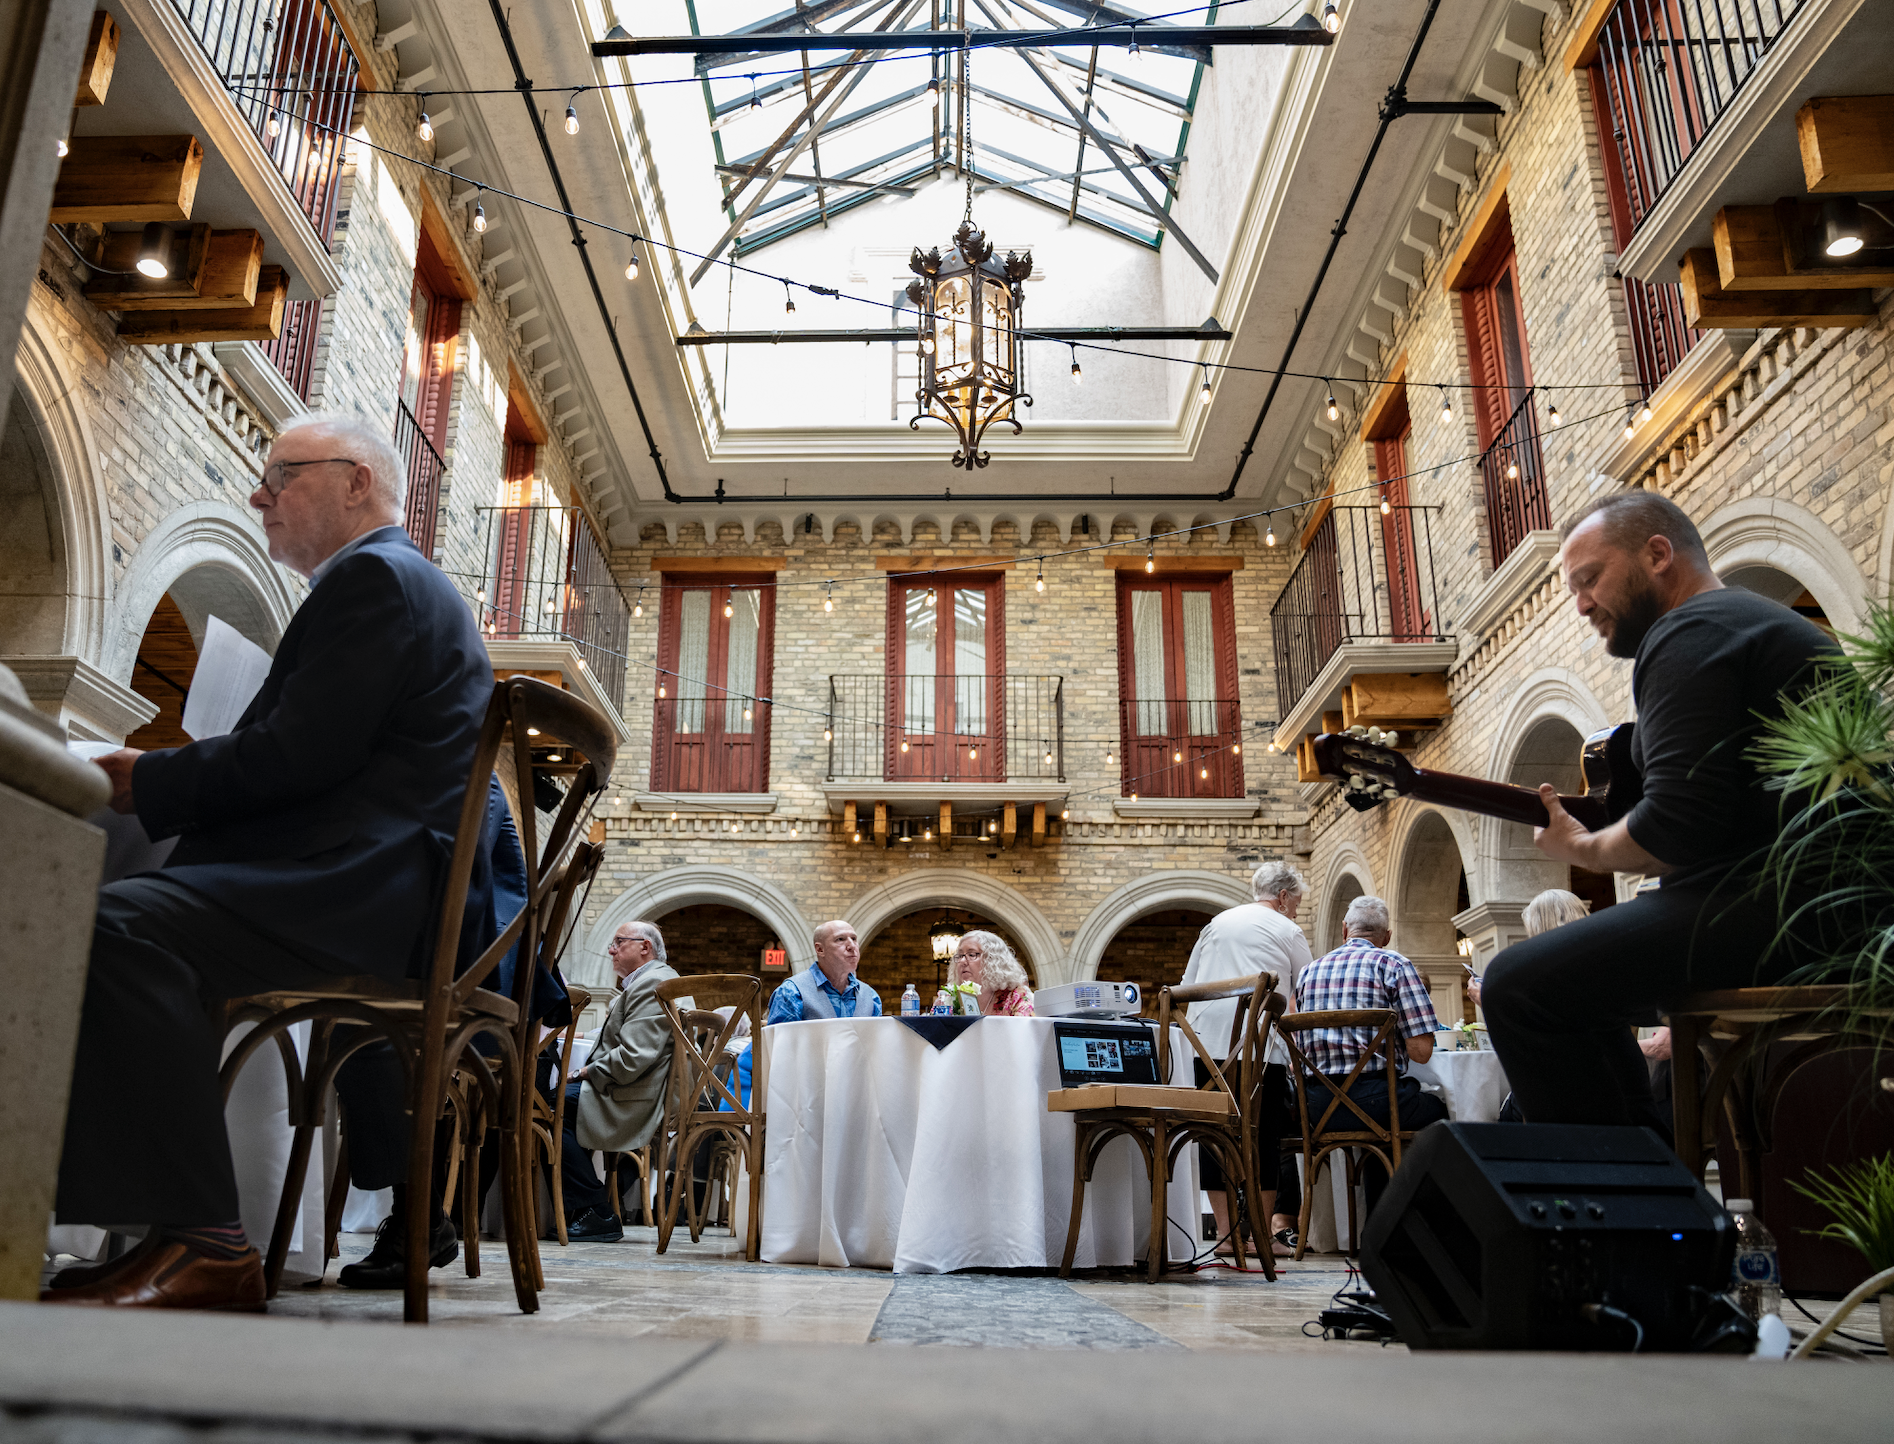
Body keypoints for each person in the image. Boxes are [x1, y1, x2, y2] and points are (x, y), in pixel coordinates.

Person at [46, 413, 496, 1311]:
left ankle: (205, 1240)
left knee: (121, 926)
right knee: (140, 910)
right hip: (381, 879)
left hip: (367, 888)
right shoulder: (399, 581)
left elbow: (299, 756)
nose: (259, 494)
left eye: (282, 474)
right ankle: (150, 1231)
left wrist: (149, 780)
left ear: (357, 481)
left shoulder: (374, 576)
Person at [1482, 492, 1837, 1134]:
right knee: (1575, 992)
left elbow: (1675, 827)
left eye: (1590, 579)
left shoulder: (1690, 630)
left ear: (1657, 554)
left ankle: (1618, 1222)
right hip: (1808, 901)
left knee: (1515, 987)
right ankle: (1649, 1192)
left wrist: (1582, 849)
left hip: (1781, 906)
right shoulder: (1743, 622)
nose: (1582, 603)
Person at [1178, 860, 1311, 1256]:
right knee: (1263, 1137)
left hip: (1205, 1048)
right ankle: (1261, 1237)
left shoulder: (1216, 923)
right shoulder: (1288, 928)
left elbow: (1187, 987)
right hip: (1259, 1050)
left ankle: (1224, 1235)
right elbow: (1305, 991)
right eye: (1297, 902)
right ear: (1283, 897)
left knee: (1213, 1135)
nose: (1297, 910)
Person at [1294, 895, 1448, 1219]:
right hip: (1377, 1104)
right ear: (1387, 937)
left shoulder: (1308, 972)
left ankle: (1373, 1223)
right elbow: (1422, 1053)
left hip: (1316, 1109)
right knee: (1444, 1109)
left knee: (1384, 1119)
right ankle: (1416, 1223)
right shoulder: (1394, 964)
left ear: (1344, 929)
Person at [559, 921, 680, 1242]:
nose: (610, 950)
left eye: (619, 942)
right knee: (559, 1100)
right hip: (642, 1089)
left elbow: (634, 1057)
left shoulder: (654, 983)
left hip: (639, 1095)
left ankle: (595, 1211)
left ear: (645, 947)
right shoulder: (657, 981)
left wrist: (583, 1072)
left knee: (551, 1109)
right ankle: (579, 1210)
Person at [1467, 888, 1587, 1126]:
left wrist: (1489, 1002)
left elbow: (1528, 1039)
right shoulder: (1596, 960)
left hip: (1555, 1084)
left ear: (1538, 926)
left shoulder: (1533, 969)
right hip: (1604, 1080)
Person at [765, 920, 882, 1023]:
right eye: (840, 939)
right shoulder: (791, 993)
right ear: (820, 949)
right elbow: (779, 1045)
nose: (852, 946)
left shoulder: (871, 997)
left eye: (854, 939)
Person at [950, 930, 1035, 1016]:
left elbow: (1024, 1028)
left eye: (971, 955)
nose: (962, 961)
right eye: (960, 955)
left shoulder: (1015, 997)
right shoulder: (951, 1000)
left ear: (992, 960)